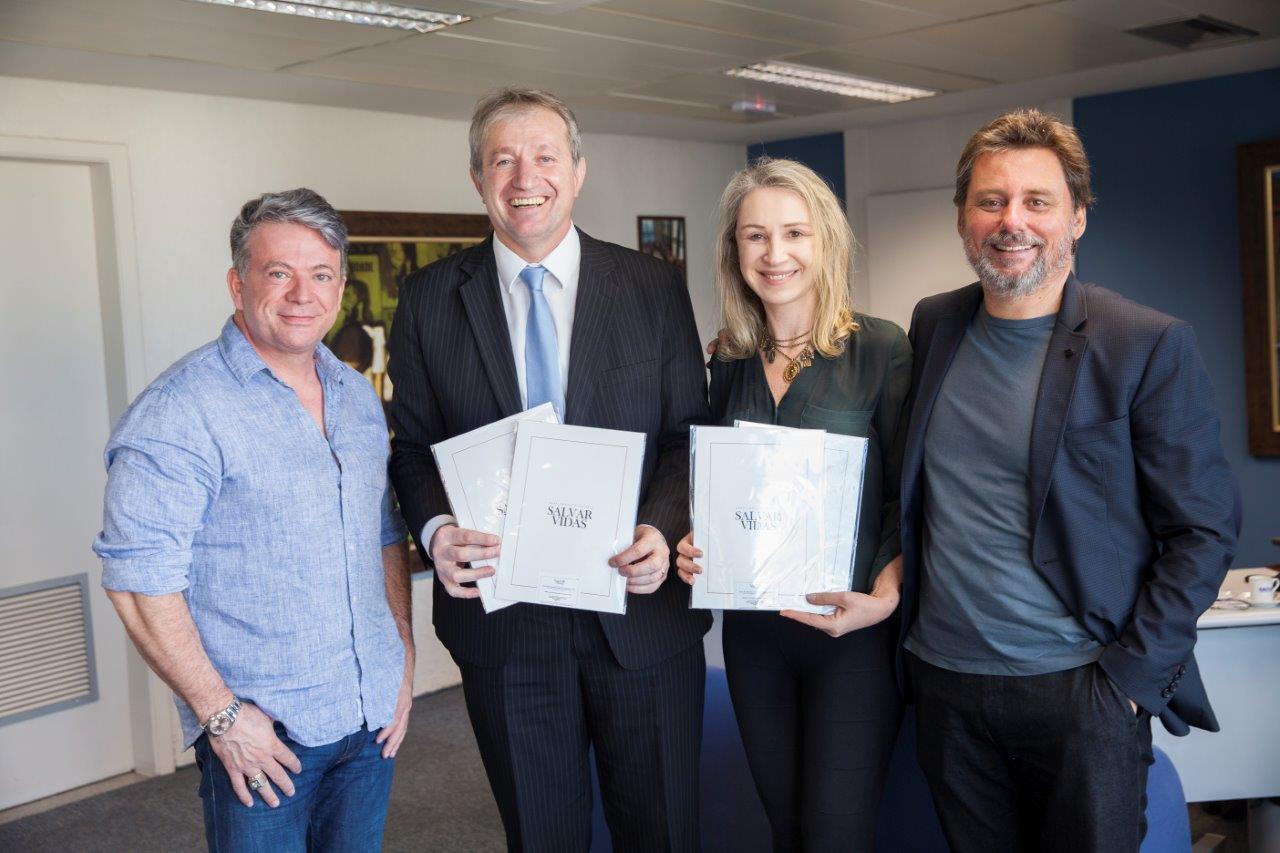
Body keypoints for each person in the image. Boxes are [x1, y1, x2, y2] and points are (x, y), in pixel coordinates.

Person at [898, 109, 1240, 852]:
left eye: (1037, 201)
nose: (1010, 221)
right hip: (947, 683)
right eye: (990, 200)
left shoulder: (1145, 343)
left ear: (1077, 218)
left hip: (1082, 688)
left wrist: (1126, 681)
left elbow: (1203, 528)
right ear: (962, 216)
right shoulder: (934, 325)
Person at [387, 88, 711, 852]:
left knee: (661, 833)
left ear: (578, 170)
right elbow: (410, 446)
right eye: (502, 159)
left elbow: (684, 432)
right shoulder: (432, 299)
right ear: (477, 179)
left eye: (543, 156)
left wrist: (662, 530)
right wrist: (434, 530)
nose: (523, 176)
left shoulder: (652, 286)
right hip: (507, 630)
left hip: (641, 618)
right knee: (541, 836)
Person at [93, 188, 414, 852]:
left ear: (341, 287)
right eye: (279, 272)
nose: (302, 292)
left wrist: (403, 655)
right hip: (266, 736)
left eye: (321, 274)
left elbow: (380, 531)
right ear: (238, 283)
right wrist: (223, 716)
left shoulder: (355, 395)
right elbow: (136, 580)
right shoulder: (180, 411)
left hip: (368, 716)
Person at [675, 158, 911, 851]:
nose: (775, 255)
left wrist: (887, 595)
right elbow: (713, 487)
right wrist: (693, 540)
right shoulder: (727, 360)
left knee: (835, 832)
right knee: (785, 828)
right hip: (754, 637)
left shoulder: (881, 348)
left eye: (794, 234)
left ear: (825, 242)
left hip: (852, 635)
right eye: (755, 236)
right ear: (734, 251)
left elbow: (909, 493)